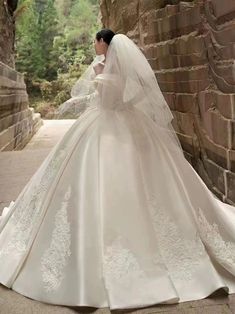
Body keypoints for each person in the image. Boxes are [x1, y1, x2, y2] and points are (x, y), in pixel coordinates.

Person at [0, 28, 235, 311]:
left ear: (103, 42)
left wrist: (107, 96)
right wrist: (126, 105)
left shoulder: (101, 65)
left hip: (104, 124)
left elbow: (100, 97)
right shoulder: (122, 65)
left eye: (95, 40)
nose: (93, 44)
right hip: (126, 121)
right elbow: (137, 93)